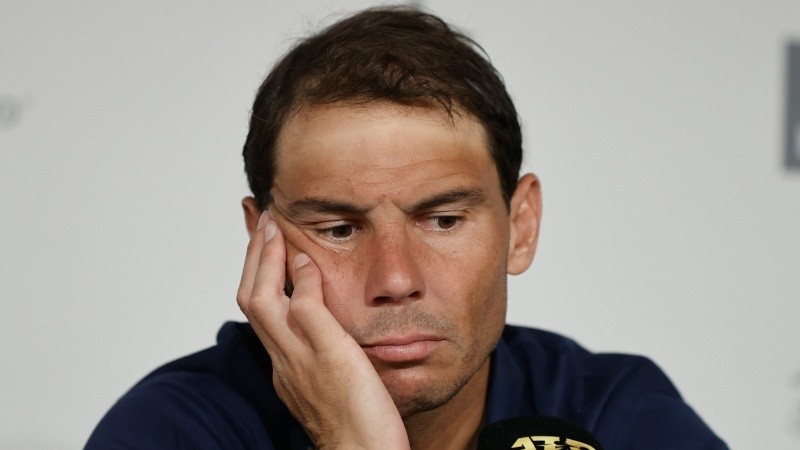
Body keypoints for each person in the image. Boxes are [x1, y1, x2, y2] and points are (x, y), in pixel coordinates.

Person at [86, 6, 728, 449]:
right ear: (264, 242)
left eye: (443, 220)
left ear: (521, 226)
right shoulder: (177, 430)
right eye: (338, 230)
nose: (395, 279)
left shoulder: (613, 414)